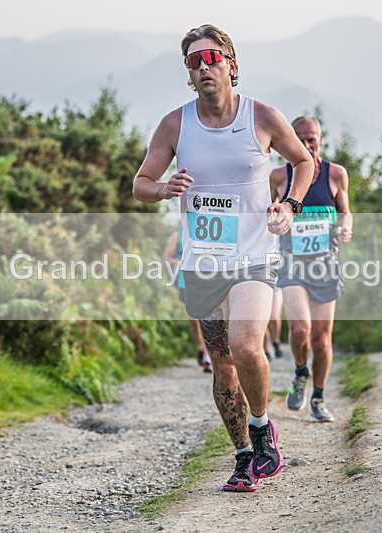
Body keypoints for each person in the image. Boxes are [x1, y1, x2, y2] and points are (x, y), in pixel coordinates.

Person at [132, 24, 313, 492]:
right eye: (193, 61)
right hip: (204, 261)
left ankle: (262, 429)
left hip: (254, 254)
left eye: (211, 57)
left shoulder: (262, 117)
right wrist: (163, 188)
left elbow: (304, 162)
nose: (203, 67)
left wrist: (290, 206)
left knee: (246, 345)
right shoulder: (175, 125)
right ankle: (242, 456)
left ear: (231, 65)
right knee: (223, 364)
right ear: (188, 74)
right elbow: (140, 184)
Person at [270, 115, 352, 422]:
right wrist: (273, 220)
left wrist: (345, 228)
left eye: (311, 139)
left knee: (321, 339)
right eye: (300, 139)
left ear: (320, 139)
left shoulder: (336, 174)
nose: (306, 144)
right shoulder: (279, 176)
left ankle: (318, 397)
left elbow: (346, 212)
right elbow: (267, 212)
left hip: (325, 266)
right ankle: (300, 372)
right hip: (292, 264)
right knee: (300, 329)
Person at [162, 228, 212, 373]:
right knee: (195, 318)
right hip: (186, 281)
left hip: (208, 279)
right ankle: (202, 349)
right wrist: (184, 263)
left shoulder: (208, 230)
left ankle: (211, 353)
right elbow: (167, 257)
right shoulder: (178, 234)